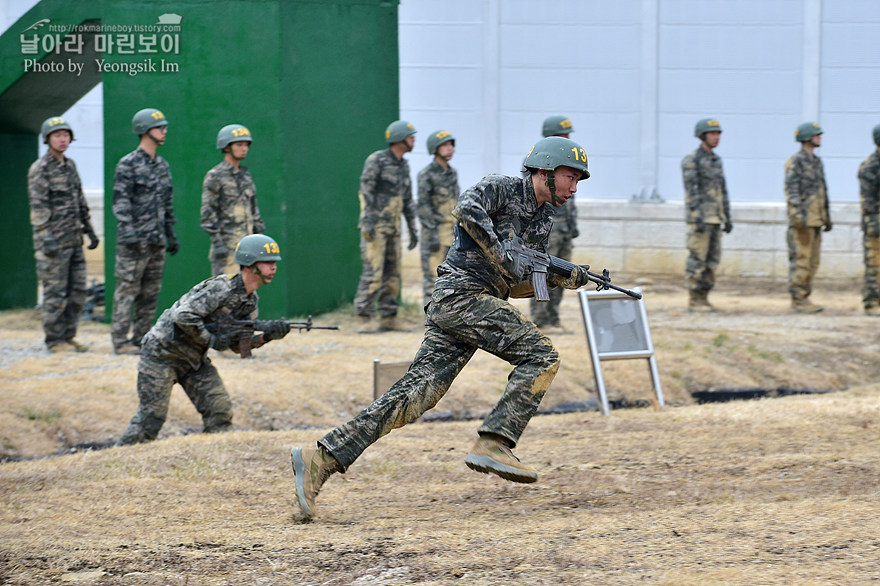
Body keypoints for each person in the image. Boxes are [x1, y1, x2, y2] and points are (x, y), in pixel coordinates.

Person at [290, 136, 595, 520]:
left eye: (579, 181)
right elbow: (466, 209)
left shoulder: (544, 217)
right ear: (545, 170)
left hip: (472, 304)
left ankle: (321, 457)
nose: (574, 187)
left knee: (414, 397)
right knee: (542, 355)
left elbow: (514, 284)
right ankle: (496, 441)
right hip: (461, 296)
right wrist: (504, 254)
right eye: (570, 177)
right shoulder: (501, 187)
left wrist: (555, 276)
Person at [116, 234, 290, 445]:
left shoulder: (250, 301)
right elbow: (183, 315)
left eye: (274, 263)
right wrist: (211, 339)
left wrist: (267, 337)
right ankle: (118, 458)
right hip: (161, 355)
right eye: (268, 262)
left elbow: (237, 345)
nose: (274, 268)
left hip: (193, 362)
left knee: (220, 412)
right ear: (249, 264)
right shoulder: (220, 288)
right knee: (150, 419)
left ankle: (215, 460)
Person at [27, 116, 99, 352]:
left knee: (77, 292)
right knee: (55, 293)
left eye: (66, 135)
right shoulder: (40, 169)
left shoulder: (70, 166)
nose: (62, 139)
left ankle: (69, 336)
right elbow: (38, 206)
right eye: (57, 135)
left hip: (74, 240)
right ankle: (54, 340)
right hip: (52, 244)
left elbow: (79, 201)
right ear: (48, 139)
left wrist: (90, 230)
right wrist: (45, 235)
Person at [110, 108, 179, 355]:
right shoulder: (128, 163)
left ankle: (141, 338)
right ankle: (119, 341)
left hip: (156, 240)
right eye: (160, 127)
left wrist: (170, 234)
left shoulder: (162, 166)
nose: (164, 131)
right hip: (133, 242)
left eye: (164, 127)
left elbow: (167, 203)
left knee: (150, 293)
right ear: (144, 130)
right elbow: (120, 202)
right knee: (127, 290)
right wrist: (128, 231)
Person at [354, 120, 419, 332]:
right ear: (399, 138)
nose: (413, 140)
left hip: (394, 228)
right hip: (375, 227)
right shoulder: (377, 160)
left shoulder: (403, 165)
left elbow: (407, 199)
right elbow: (366, 191)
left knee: (393, 275)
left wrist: (412, 228)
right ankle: (364, 318)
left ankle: (388, 317)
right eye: (410, 137)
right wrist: (368, 222)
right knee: (373, 273)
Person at [530, 115, 580, 330]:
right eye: (563, 134)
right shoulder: (539, 160)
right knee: (541, 273)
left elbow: (570, 198)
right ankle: (540, 318)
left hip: (564, 229)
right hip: (546, 228)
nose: (567, 138)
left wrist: (572, 225)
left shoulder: (568, 164)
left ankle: (554, 317)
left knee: (562, 274)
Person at [681, 117, 732, 312]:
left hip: (716, 218)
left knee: (712, 260)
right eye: (713, 133)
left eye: (718, 133)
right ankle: (694, 299)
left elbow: (722, 190)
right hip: (701, 220)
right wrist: (697, 217)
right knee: (698, 259)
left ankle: (704, 297)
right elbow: (691, 191)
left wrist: (727, 216)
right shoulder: (692, 160)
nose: (717, 137)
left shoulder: (716, 160)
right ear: (702, 135)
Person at [201, 124, 265, 276]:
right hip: (226, 250)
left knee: (248, 292)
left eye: (246, 145)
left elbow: (253, 209)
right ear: (226, 147)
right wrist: (217, 242)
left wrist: (259, 230)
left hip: (249, 248)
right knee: (225, 292)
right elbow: (208, 213)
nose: (244, 149)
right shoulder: (215, 176)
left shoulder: (246, 177)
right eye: (239, 144)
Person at [785, 122, 831, 313]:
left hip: (816, 220)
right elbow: (792, 192)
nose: (819, 137)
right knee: (801, 260)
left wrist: (826, 217)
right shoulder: (795, 162)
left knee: (813, 262)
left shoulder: (817, 162)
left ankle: (806, 297)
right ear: (807, 138)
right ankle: (798, 299)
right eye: (816, 135)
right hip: (802, 221)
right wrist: (798, 217)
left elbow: (823, 191)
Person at [417, 130, 459, 307]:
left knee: (452, 279)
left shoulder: (452, 173)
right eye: (445, 145)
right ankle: (431, 319)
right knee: (432, 278)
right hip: (434, 235)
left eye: (451, 145)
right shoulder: (426, 175)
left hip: (451, 234)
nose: (450, 149)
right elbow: (424, 205)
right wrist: (432, 233)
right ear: (435, 149)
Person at [858, 123, 880, 316]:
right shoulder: (870, 166)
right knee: (874, 265)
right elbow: (868, 202)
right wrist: (875, 226)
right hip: (876, 226)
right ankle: (871, 303)